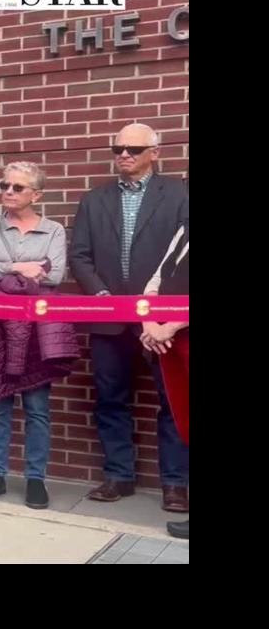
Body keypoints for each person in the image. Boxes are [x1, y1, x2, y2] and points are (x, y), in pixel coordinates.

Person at [70, 123, 189, 512]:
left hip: (162, 321)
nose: (124, 155)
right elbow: (80, 256)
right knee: (110, 398)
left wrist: (162, 313)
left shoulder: (179, 195)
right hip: (109, 320)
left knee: (173, 401)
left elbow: (182, 259)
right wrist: (104, 298)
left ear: (155, 152)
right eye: (118, 148)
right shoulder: (93, 199)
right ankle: (118, 475)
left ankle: (175, 484)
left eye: (134, 149)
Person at [0, 162, 77, 510]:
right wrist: (16, 268)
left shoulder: (53, 230)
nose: (9, 192)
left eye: (18, 187)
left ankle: (35, 479)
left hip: (36, 332)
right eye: (5, 185)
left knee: (37, 409)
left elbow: (55, 274)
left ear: (37, 194)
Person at [140, 221, 189, 539]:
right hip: (173, 343)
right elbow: (156, 280)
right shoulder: (185, 230)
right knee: (183, 416)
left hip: (177, 332)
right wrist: (149, 323)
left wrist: (170, 325)